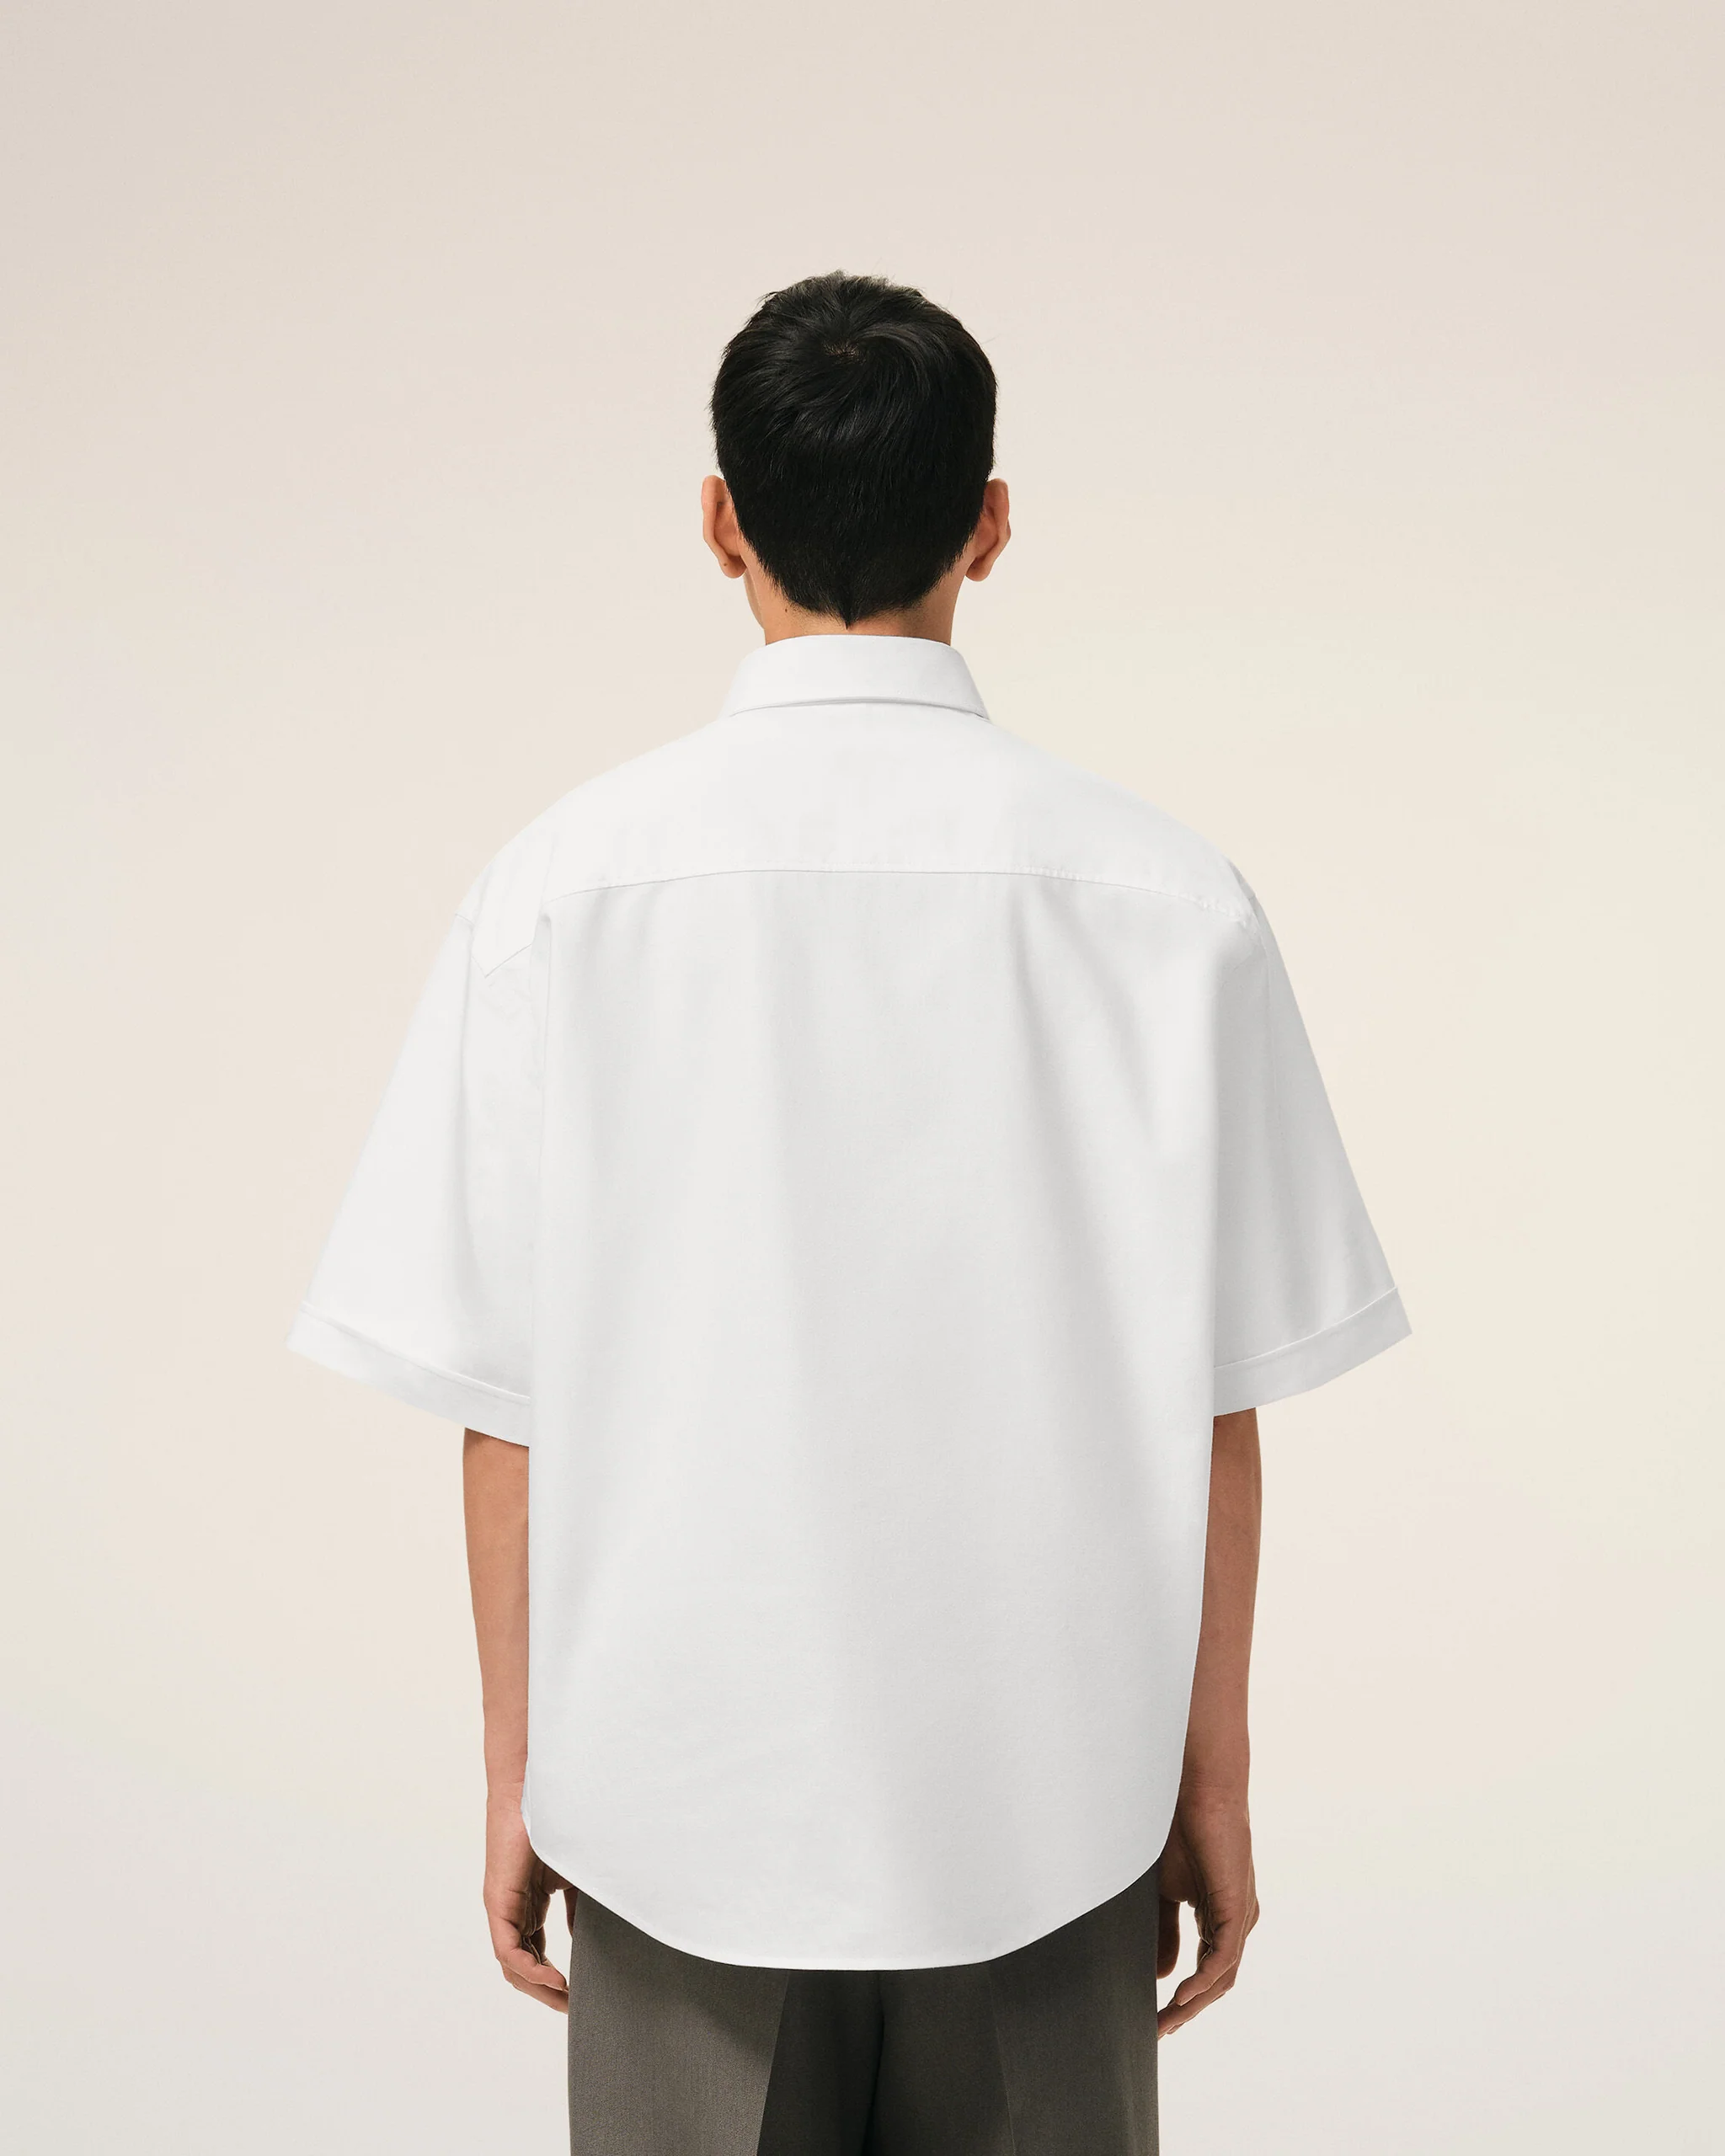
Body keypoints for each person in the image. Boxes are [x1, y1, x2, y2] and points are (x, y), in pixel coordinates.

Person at [288, 271, 1408, 2154]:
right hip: (1052, 1810)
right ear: (991, 520)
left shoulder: (561, 891)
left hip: (671, 1804)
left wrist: (520, 1773)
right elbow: (1215, 1405)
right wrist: (1211, 1776)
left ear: (719, 519)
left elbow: (507, 1409)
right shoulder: (1163, 898)